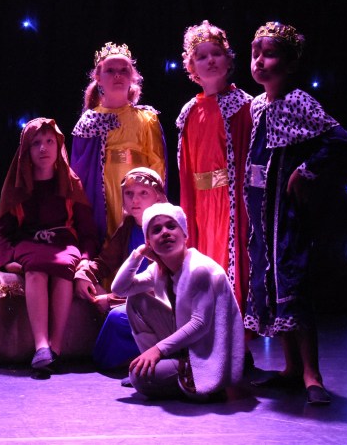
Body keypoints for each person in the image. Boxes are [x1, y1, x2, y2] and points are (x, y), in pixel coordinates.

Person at [243, 22, 347, 405]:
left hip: (285, 215)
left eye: (269, 54)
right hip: (261, 215)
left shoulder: (298, 101)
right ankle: (289, 368)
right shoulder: (257, 105)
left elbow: (338, 137)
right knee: (272, 288)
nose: (259, 61)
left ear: (289, 64)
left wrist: (306, 170)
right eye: (255, 53)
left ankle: (311, 373)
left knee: (293, 285)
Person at [0, 118, 99, 378]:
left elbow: (87, 230)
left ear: (58, 145)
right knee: (36, 269)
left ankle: (56, 346)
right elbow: (3, 231)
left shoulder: (71, 182)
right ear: (27, 150)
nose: (43, 148)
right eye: (36, 143)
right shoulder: (17, 185)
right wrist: (7, 260)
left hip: (63, 241)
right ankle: (41, 346)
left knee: (63, 266)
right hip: (29, 241)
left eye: (50, 141)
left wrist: (85, 259)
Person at [111, 203, 244, 401]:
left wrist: (157, 350)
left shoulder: (199, 269)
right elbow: (120, 289)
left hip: (206, 352)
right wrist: (137, 254)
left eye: (171, 226)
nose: (165, 232)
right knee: (136, 300)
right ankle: (156, 366)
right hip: (185, 346)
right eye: (156, 230)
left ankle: (194, 378)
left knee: (139, 378)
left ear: (184, 234)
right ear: (149, 242)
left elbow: (200, 324)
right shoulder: (159, 269)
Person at [175, 20, 253, 316]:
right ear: (191, 67)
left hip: (231, 202)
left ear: (228, 60)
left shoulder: (244, 105)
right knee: (204, 262)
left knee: (230, 261)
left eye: (216, 53)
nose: (210, 60)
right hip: (201, 203)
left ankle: (235, 330)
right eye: (202, 56)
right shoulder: (189, 111)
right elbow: (187, 168)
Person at [71, 42, 167, 242]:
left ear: (132, 77)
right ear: (98, 77)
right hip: (103, 191)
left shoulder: (147, 118)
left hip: (139, 191)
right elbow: (79, 172)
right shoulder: (89, 122)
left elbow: (158, 162)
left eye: (124, 70)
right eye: (110, 70)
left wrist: (154, 197)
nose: (118, 75)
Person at [74, 167, 167, 372]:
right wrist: (84, 274)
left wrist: (112, 300)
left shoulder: (165, 228)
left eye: (143, 193)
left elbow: (162, 287)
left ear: (158, 197)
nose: (135, 200)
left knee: (118, 319)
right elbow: (105, 261)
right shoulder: (129, 227)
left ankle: (147, 360)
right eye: (129, 193)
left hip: (160, 307)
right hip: (132, 300)